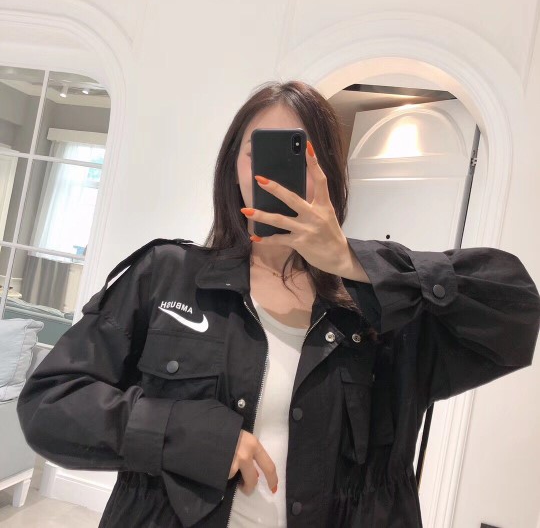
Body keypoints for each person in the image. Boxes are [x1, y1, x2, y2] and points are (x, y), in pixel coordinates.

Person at [16, 80, 540, 528]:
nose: (275, 172)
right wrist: (188, 434)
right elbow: (49, 405)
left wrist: (351, 262)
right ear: (234, 168)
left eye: (301, 153)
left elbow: (516, 311)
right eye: (260, 151)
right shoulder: (168, 276)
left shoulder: (384, 305)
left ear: (328, 173)